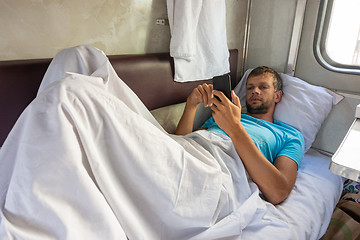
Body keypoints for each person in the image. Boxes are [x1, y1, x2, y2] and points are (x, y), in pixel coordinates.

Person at [175, 66, 305, 205]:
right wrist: (191, 105)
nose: (255, 91)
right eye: (250, 88)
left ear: (277, 95)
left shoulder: (289, 135)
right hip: (188, 155)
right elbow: (183, 142)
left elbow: (278, 192)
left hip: (218, 167)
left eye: (263, 87)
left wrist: (234, 127)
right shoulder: (223, 114)